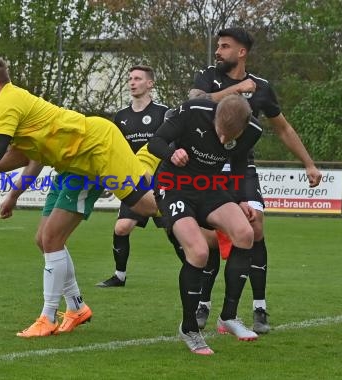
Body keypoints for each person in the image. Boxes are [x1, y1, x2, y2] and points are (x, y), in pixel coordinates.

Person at [0, 57, 159, 336]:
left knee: (144, 206)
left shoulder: (9, 101)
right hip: (69, 165)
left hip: (92, 150)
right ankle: (77, 307)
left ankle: (48, 317)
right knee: (44, 239)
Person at [189, 27, 322, 335]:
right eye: (218, 46)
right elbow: (197, 101)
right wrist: (237, 91)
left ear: (242, 52)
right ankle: (203, 304)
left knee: (255, 226)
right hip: (207, 166)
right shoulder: (208, 76)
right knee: (209, 237)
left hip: (241, 166)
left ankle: (258, 306)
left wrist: (309, 164)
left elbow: (283, 129)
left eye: (225, 47)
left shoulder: (261, 88)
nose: (218, 51)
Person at [147, 94, 263, 355]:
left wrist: (242, 198)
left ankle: (228, 317)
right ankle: (189, 328)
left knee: (246, 233)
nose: (223, 141)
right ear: (215, 117)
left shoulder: (253, 130)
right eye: (220, 133)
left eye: (229, 137)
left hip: (210, 188)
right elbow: (155, 141)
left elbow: (239, 164)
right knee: (199, 252)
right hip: (173, 186)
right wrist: (171, 152)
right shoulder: (193, 110)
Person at [96, 65, 168, 288]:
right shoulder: (121, 116)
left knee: (174, 229)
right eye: (130, 79)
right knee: (122, 227)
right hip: (134, 182)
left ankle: (194, 268)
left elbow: (172, 142)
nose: (132, 82)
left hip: (162, 181)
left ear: (150, 83)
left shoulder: (163, 112)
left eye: (138, 78)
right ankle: (119, 276)